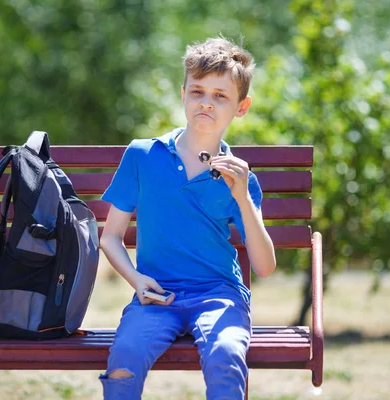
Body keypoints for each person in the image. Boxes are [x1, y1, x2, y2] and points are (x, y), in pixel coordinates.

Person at [98, 36, 276, 400]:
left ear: (241, 107)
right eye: (197, 91)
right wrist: (136, 280)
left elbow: (265, 266)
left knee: (225, 355)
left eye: (220, 96)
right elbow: (110, 237)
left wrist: (242, 198)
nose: (206, 103)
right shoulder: (143, 156)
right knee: (124, 357)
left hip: (218, 295)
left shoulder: (240, 178)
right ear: (183, 94)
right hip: (156, 295)